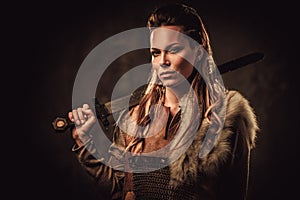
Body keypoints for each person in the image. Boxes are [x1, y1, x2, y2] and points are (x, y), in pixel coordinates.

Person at [68, 3, 259, 200]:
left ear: (198, 50)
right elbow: (121, 191)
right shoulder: (136, 118)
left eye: (173, 50)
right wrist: (86, 143)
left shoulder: (225, 118)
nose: (162, 61)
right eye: (155, 53)